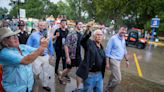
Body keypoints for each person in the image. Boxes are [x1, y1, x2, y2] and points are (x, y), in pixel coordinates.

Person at [0, 27, 49, 92]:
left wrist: (41, 46)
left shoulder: (22, 46)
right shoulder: (4, 53)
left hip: (28, 87)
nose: (16, 38)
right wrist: (42, 47)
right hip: (15, 89)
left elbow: (41, 52)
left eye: (15, 35)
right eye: (11, 37)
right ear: (4, 42)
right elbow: (26, 60)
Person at [26, 21, 54, 91]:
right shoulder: (33, 35)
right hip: (36, 57)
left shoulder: (48, 36)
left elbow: (50, 46)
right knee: (35, 72)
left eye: (43, 25)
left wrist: (51, 55)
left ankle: (45, 85)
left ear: (46, 26)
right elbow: (28, 46)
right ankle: (34, 84)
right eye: (40, 25)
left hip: (45, 56)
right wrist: (31, 55)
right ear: (38, 26)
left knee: (46, 72)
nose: (42, 26)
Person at [76, 28, 106, 92]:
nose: (99, 36)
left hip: (99, 75)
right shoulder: (89, 43)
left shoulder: (102, 48)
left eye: (101, 35)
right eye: (97, 34)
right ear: (94, 36)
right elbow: (82, 41)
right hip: (90, 75)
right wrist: (88, 30)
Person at [105, 25, 129, 92]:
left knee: (113, 76)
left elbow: (124, 50)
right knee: (118, 79)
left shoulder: (123, 38)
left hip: (119, 61)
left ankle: (107, 88)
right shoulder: (113, 38)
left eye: (125, 30)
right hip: (113, 60)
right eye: (122, 29)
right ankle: (109, 90)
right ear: (119, 29)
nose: (123, 31)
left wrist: (127, 60)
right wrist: (107, 63)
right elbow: (107, 51)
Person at [58, 22, 83, 87]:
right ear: (76, 25)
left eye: (81, 24)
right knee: (68, 69)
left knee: (79, 71)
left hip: (79, 56)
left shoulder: (81, 34)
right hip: (72, 55)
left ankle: (78, 88)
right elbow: (66, 45)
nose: (81, 26)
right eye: (79, 24)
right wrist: (67, 57)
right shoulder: (71, 33)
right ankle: (60, 77)